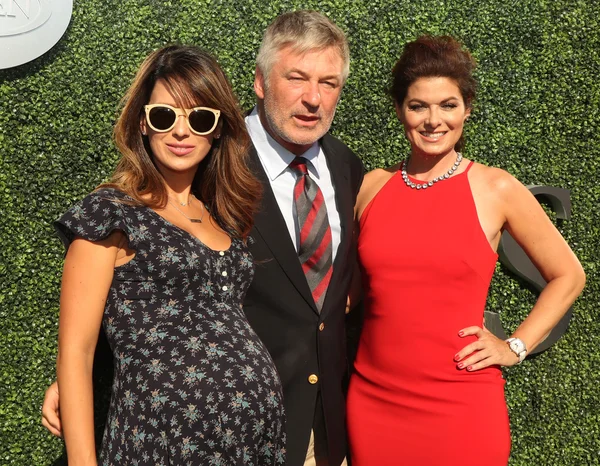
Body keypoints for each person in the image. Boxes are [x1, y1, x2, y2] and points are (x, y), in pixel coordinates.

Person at [43, 11, 364, 466]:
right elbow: (84, 340)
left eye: (328, 83)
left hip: (279, 435)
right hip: (163, 443)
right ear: (260, 81)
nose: (182, 130)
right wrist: (77, 384)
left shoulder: (339, 170)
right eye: (296, 77)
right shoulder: (131, 207)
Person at [346, 35, 586, 465]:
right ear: (400, 110)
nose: (433, 119)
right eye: (418, 105)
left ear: (467, 109)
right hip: (373, 401)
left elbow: (569, 275)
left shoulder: (497, 188)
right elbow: (351, 289)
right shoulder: (371, 187)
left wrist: (514, 347)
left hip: (462, 404)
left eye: (448, 105)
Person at [52, 44, 286, 465]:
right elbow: (76, 351)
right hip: (159, 445)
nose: (181, 132)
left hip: (249, 446)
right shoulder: (110, 212)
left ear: (217, 129)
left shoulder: (223, 219)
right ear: (143, 123)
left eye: (199, 118)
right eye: (164, 116)